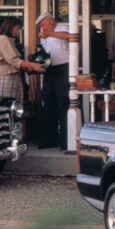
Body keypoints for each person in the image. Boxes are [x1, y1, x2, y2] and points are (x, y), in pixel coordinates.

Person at [36, 11, 70, 149]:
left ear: (50, 21)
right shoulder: (45, 35)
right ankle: (50, 139)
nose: (43, 28)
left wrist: (49, 34)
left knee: (63, 103)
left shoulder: (62, 28)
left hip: (63, 70)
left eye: (44, 25)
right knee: (48, 103)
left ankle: (65, 140)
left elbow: (69, 36)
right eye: (41, 26)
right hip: (49, 71)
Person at [0, 17, 44, 102]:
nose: (17, 32)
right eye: (17, 29)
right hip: (7, 77)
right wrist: (33, 65)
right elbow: (13, 60)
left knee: (17, 106)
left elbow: (16, 62)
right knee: (8, 105)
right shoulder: (3, 39)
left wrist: (29, 70)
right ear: (10, 26)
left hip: (14, 76)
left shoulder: (10, 40)